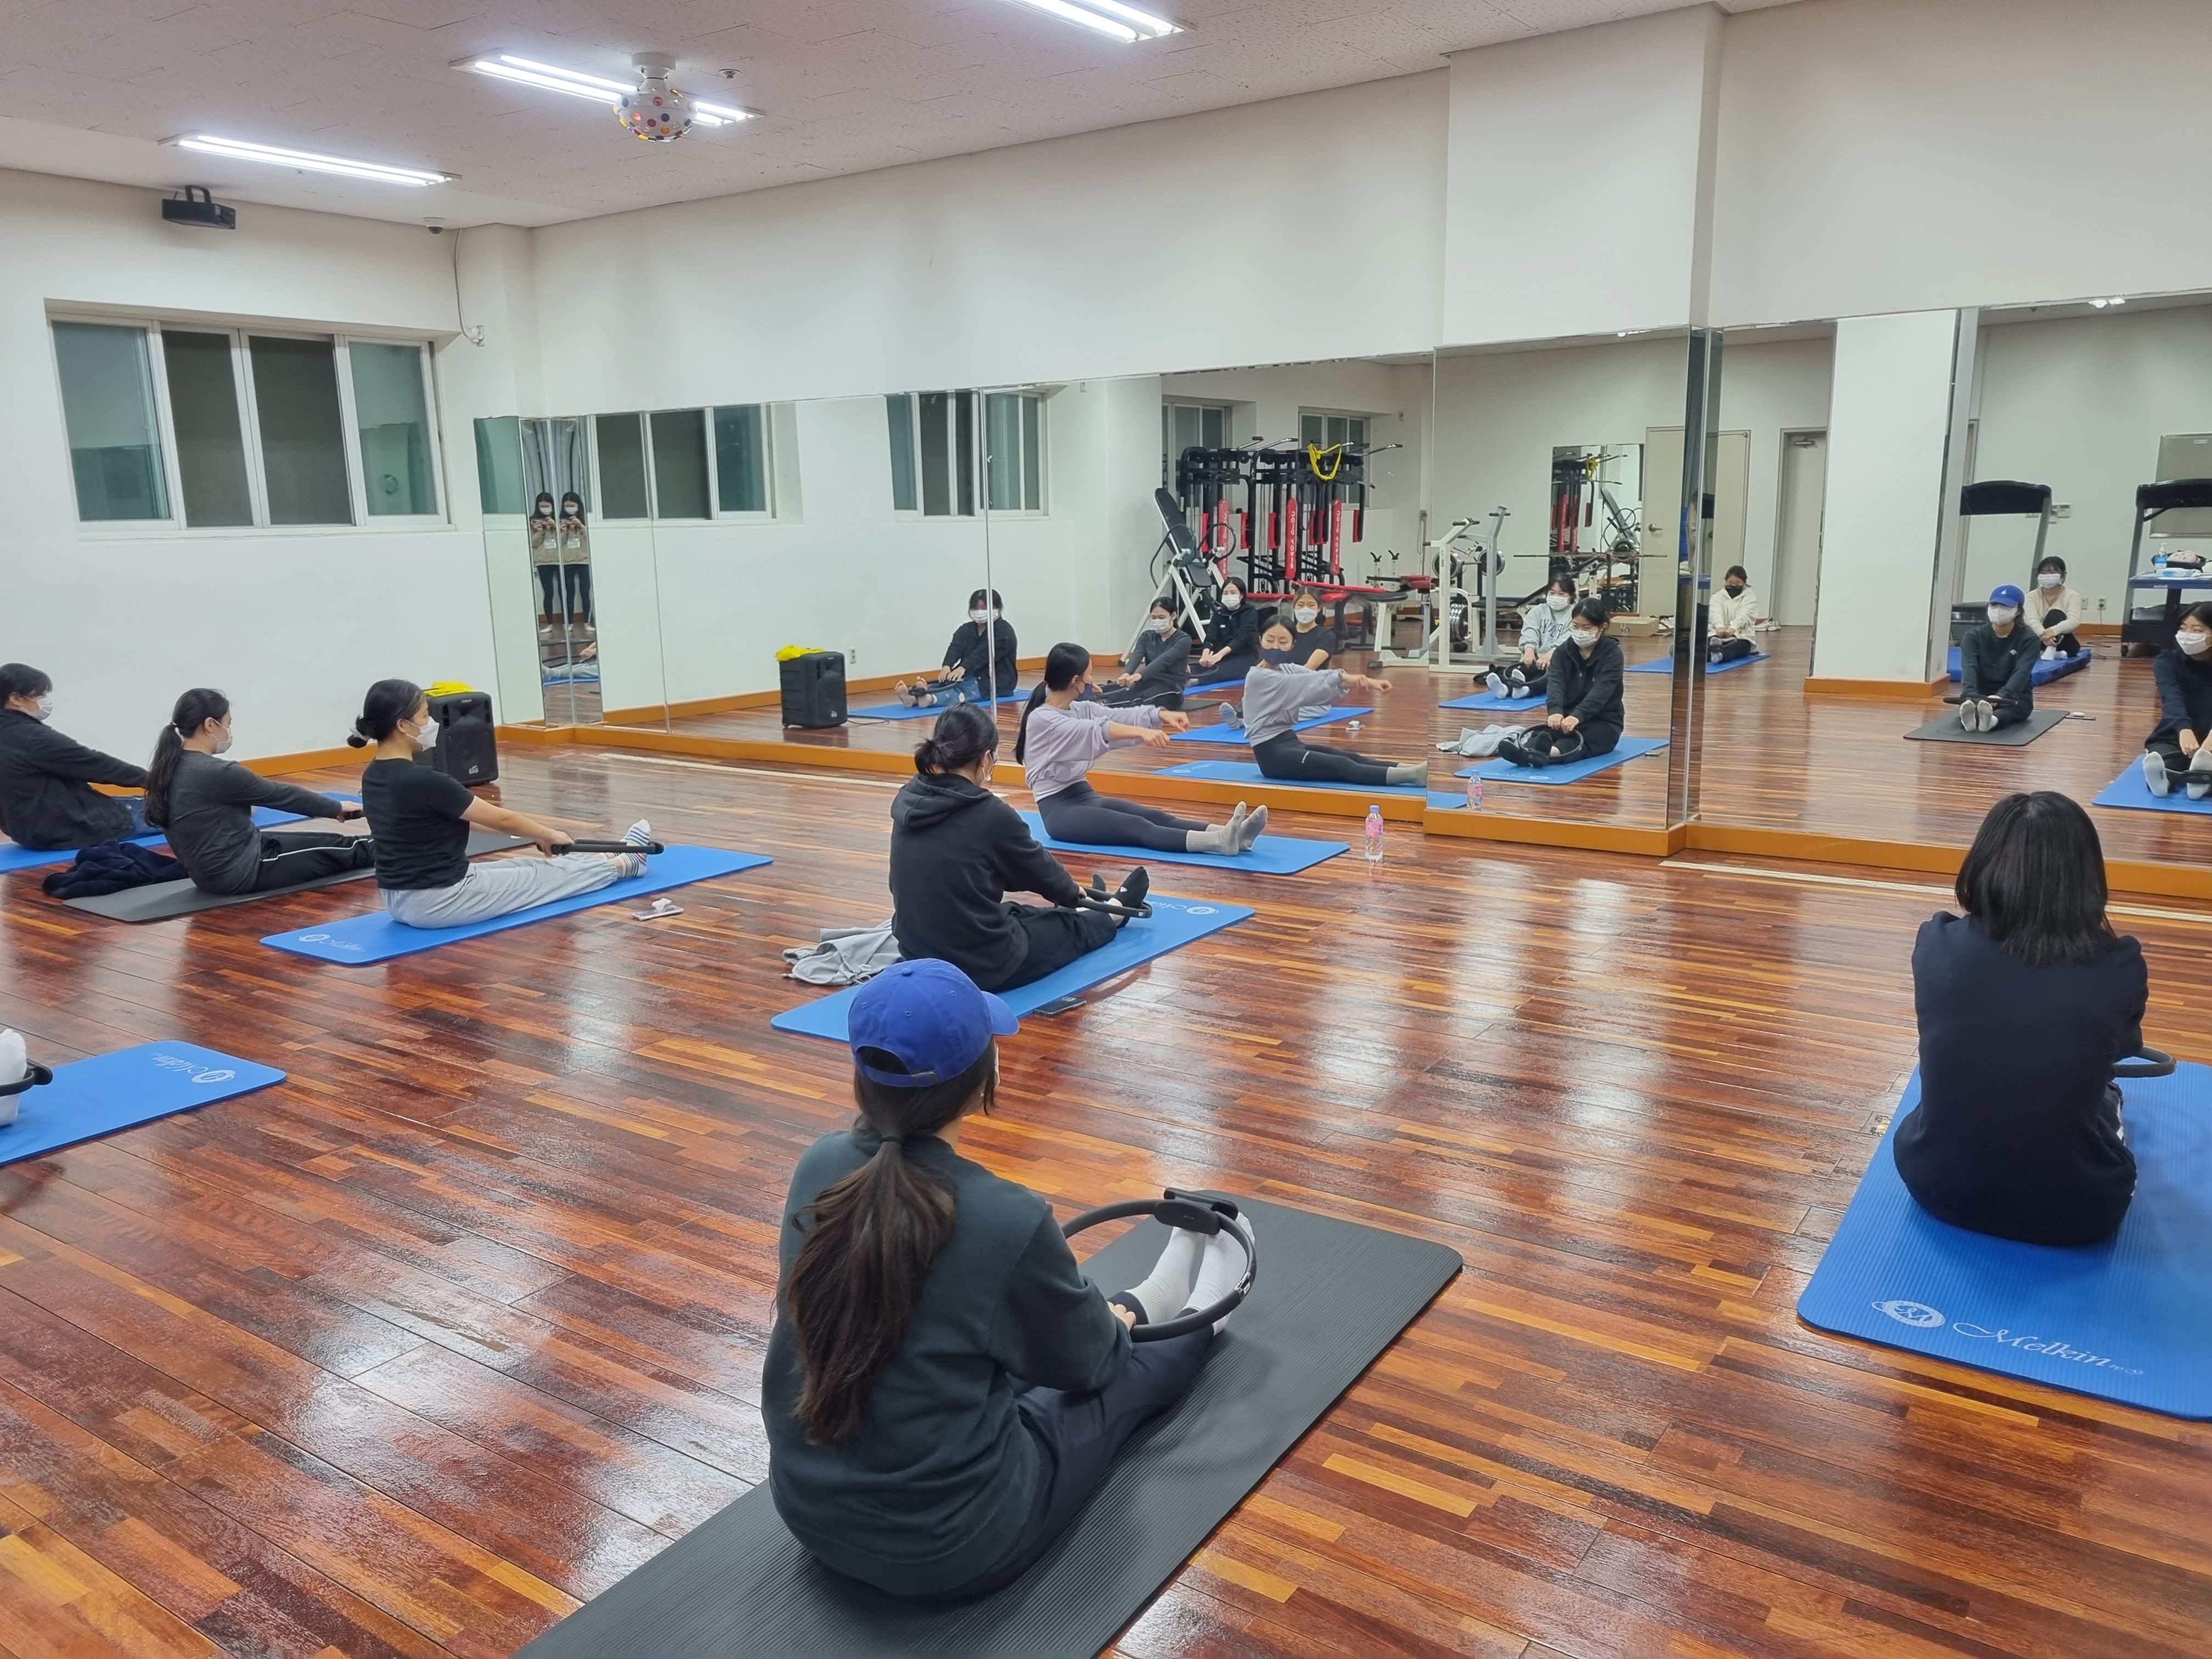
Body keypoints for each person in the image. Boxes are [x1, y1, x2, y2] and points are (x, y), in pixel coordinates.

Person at [763, 958, 1240, 1600]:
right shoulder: (1005, 1217)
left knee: (987, 1349)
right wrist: (1112, 1327)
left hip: (806, 1513)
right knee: (1114, 1379)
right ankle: (1208, 1308)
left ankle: (1159, 1285)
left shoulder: (818, 1164)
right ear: (982, 1079)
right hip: (953, 1547)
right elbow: (1091, 1366)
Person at [1894, 792, 2146, 1245]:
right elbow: (2120, 1049)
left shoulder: (1936, 942)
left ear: (1983, 863)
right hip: (2079, 1211)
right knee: (2104, 1099)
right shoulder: (2120, 964)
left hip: (1934, 1186)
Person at [348, 678, 649, 928]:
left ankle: (605, 856)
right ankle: (626, 864)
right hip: (441, 900)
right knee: (545, 877)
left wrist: (535, 835)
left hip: (399, 901)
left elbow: (461, 819)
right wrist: (547, 833)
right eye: (426, 716)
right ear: (403, 725)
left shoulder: (373, 775)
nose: (432, 723)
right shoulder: (423, 779)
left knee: (525, 865)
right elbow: (500, 818)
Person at [890, 702, 1146, 992]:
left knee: (1014, 911)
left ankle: (1085, 912)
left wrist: (1065, 891)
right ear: (986, 758)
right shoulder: (988, 812)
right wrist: (1070, 892)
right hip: (979, 967)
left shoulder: (909, 800)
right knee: (1068, 929)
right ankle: (1114, 913)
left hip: (916, 955)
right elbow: (1036, 867)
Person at [1016, 642, 1265, 855]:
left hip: (1084, 796)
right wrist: (1142, 733)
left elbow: (1117, 716)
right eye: (1090, 675)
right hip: (1059, 812)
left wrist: (1160, 715)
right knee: (1138, 827)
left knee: (1156, 817)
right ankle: (1219, 842)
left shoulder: (1080, 708)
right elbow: (1093, 731)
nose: (1093, 681)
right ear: (1075, 681)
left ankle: (1235, 835)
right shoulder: (1042, 719)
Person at [144, 689, 376, 895]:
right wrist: (335, 807)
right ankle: (393, 847)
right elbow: (281, 795)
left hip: (220, 868)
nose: (228, 731)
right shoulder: (217, 772)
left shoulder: (168, 766)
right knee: (353, 852)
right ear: (210, 725)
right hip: (242, 872)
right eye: (227, 723)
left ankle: (382, 844)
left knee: (336, 842)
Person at [1242, 622, 1425, 788]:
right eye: (1270, 640)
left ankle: (1415, 769)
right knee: (1341, 765)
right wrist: (1344, 678)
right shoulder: (1257, 677)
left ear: (1292, 645)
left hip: (1290, 742)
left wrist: (1365, 680)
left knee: (1350, 757)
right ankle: (1414, 776)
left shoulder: (1287, 669)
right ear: (1261, 640)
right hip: (1273, 757)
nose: (1276, 646)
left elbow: (1314, 676)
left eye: (1283, 642)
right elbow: (1306, 684)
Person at [0, 663, 148, 850]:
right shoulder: (30, 737)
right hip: (69, 828)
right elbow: (94, 763)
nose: (44, 701)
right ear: (16, 698)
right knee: (175, 812)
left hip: (25, 830)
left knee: (140, 801)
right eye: (40, 695)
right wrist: (153, 780)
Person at [1498, 599, 1624, 769]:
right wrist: (1555, 710)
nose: (1580, 632)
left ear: (1602, 627)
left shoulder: (1613, 654)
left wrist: (1578, 715)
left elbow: (1603, 690)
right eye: (1575, 627)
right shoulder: (1563, 651)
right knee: (1544, 733)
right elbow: (1555, 683)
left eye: (1586, 628)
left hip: (1603, 721)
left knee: (1587, 739)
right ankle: (1528, 752)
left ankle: (1547, 754)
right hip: (1566, 718)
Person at [898, 590, 1019, 709]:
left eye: (985, 608)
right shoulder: (966, 629)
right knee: (946, 683)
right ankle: (912, 699)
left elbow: (984, 653)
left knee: (963, 690)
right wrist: (947, 666)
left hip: (994, 681)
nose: (980, 612)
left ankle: (930, 699)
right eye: (976, 608)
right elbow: (955, 648)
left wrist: (963, 668)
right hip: (967, 675)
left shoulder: (1005, 631)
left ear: (998, 608)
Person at [2141, 601, 2212, 798]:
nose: (2187, 635)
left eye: (2197, 630)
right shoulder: (2167, 661)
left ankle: (2203, 783)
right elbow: (2171, 696)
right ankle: (2164, 780)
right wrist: (2184, 729)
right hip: (2177, 732)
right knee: (2167, 754)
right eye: (2183, 628)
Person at [1956, 583, 2040, 732]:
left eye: (2006, 606)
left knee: (2008, 712)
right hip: (1980, 697)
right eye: (1994, 605)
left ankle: (1991, 721)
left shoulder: (2029, 639)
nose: (1999, 610)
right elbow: (1969, 667)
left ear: (2018, 611)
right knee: (1971, 706)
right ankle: (1970, 718)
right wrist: (1970, 694)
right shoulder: (1973, 637)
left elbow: (2022, 672)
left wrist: (2003, 695)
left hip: (2014, 697)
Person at [1485, 575, 1576, 701]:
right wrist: (1529, 649)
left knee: (1550, 677)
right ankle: (1505, 689)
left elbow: (1570, 637)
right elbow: (1530, 631)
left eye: (1562, 594)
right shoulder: (1537, 611)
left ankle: (1526, 690)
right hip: (1536, 661)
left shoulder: (1576, 614)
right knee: (1518, 671)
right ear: (1547, 593)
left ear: (1571, 595)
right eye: (1552, 593)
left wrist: (1553, 653)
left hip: (1559, 663)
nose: (1556, 597)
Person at [1102, 598, 1192, 708]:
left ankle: (1106, 707)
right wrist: (1127, 673)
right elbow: (1137, 656)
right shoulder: (1146, 636)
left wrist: (1140, 675)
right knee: (1116, 692)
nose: (1157, 621)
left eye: (1161, 618)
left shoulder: (1184, 639)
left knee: (1142, 700)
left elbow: (1164, 660)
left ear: (1173, 616)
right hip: (1148, 682)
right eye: (1154, 618)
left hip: (1171, 688)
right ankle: (1102, 704)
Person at [1194, 578, 1260, 683]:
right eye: (1226, 593)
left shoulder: (1250, 613)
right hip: (1221, 657)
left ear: (1242, 595)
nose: (1229, 596)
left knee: (1225, 670)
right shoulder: (1219, 614)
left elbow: (1241, 638)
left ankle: (1197, 680)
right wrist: (1205, 654)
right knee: (1194, 667)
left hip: (1244, 657)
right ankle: (1188, 676)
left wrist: (1220, 655)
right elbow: (1211, 637)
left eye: (1233, 593)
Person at [2023, 556, 2086, 661]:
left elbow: (2074, 621)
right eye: (2044, 573)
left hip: (2062, 640)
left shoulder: (2072, 596)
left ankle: (2050, 651)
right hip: (2038, 639)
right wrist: (2044, 635)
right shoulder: (2031, 597)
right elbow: (2031, 620)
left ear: (2063, 574)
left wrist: (2053, 631)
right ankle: (2052, 652)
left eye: (2053, 572)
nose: (2048, 576)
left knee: (2056, 614)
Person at [1706, 565, 1763, 664]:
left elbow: (1745, 615)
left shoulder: (1751, 597)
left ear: (1744, 583)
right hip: (1718, 635)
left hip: (1742, 636)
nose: (1733, 586)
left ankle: (1720, 656)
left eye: (1737, 584)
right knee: (1706, 645)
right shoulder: (1717, 597)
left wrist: (1733, 628)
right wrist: (1719, 626)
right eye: (1730, 583)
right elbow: (1715, 612)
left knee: (1735, 649)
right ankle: (1708, 652)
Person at [557, 492, 594, 634]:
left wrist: (582, 526)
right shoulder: (560, 521)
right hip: (567, 561)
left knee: (585, 591)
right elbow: (558, 545)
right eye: (567, 506)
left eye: (572, 505)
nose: (570, 508)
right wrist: (564, 531)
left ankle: (587, 622)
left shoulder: (585, 520)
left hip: (584, 561)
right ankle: (569, 622)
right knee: (569, 592)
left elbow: (591, 540)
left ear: (578, 506)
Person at [528, 493, 563, 638]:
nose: (545, 509)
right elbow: (534, 544)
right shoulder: (532, 521)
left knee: (564, 591)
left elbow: (565, 541)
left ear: (552, 506)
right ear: (537, 506)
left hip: (560, 560)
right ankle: (549, 624)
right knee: (548, 593)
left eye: (547, 506)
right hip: (543, 561)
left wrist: (555, 526)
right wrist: (539, 531)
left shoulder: (559, 520)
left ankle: (567, 622)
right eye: (542, 506)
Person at [1284, 588, 1336, 670]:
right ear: (1294, 607)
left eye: (1311, 605)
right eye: (1301, 605)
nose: (1305, 609)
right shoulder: (1285, 632)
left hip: (1309, 677)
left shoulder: (1326, 636)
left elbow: (1310, 667)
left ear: (1318, 608)